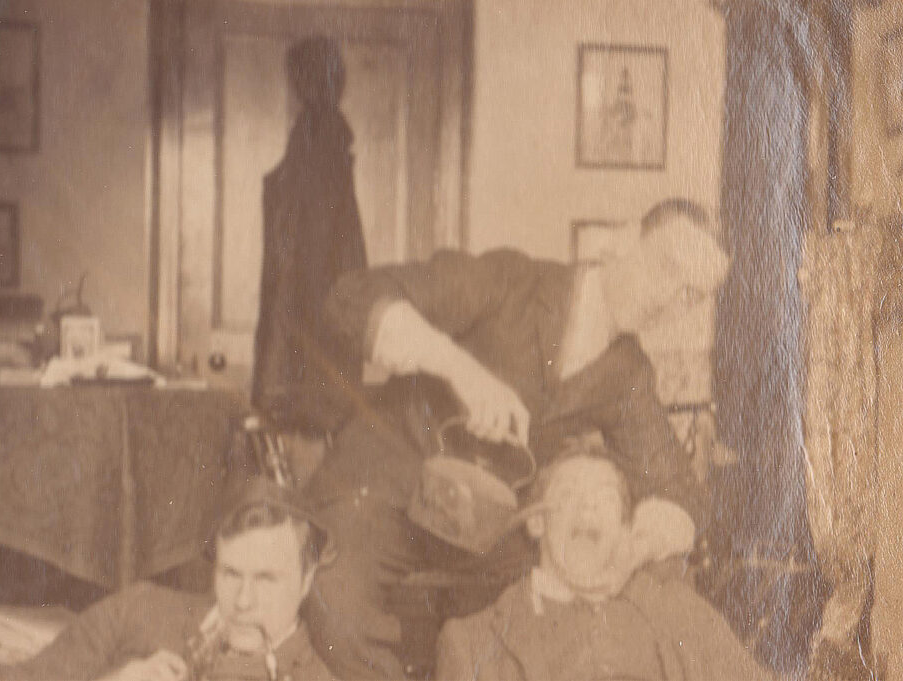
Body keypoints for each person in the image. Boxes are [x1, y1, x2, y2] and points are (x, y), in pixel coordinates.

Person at [304, 198, 731, 679]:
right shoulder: (512, 282)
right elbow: (350, 298)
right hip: (382, 491)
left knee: (569, 614)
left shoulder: (627, 373)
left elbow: (679, 491)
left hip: (486, 534)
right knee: (332, 598)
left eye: (691, 294)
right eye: (667, 266)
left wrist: (635, 546)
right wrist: (460, 370)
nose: (668, 297)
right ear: (626, 238)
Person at [436, 450, 773, 681]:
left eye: (605, 498)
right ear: (536, 522)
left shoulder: (680, 612)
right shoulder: (471, 642)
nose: (588, 509)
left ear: (625, 528)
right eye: (569, 495)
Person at [0, 478, 337, 681]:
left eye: (267, 580)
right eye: (231, 574)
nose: (243, 601)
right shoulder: (140, 608)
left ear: (306, 581)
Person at [252, 35, 367, 435]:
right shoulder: (327, 141)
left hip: (305, 347)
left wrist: (274, 376)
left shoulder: (316, 140)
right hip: (322, 335)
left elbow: (303, 266)